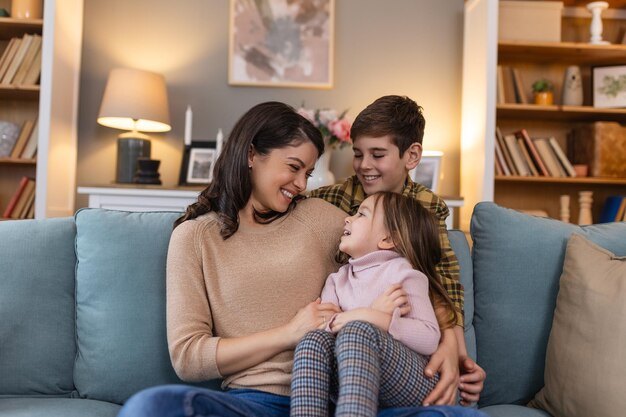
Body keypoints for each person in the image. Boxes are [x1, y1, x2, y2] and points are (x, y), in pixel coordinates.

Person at [118, 101, 486, 417]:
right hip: (258, 401)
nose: (301, 184)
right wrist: (288, 333)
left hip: (350, 396)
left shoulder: (320, 217)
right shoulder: (194, 239)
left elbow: (405, 267)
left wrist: (451, 341)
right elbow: (188, 356)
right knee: (151, 407)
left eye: (307, 173)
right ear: (251, 155)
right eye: (293, 168)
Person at [309, 95, 486, 406]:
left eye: (378, 155)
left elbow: (442, 279)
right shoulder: (331, 199)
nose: (365, 165)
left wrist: (452, 344)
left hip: (400, 341)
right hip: (347, 337)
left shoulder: (426, 205)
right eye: (358, 154)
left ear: (412, 155)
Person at [290, 191, 460, 417]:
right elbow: (323, 325)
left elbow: (429, 338)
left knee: (357, 331)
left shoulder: (403, 274)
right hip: (352, 379)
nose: (347, 218)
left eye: (361, 214)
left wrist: (373, 318)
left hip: (411, 381)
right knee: (311, 340)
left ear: (388, 239)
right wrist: (367, 314)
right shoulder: (337, 280)